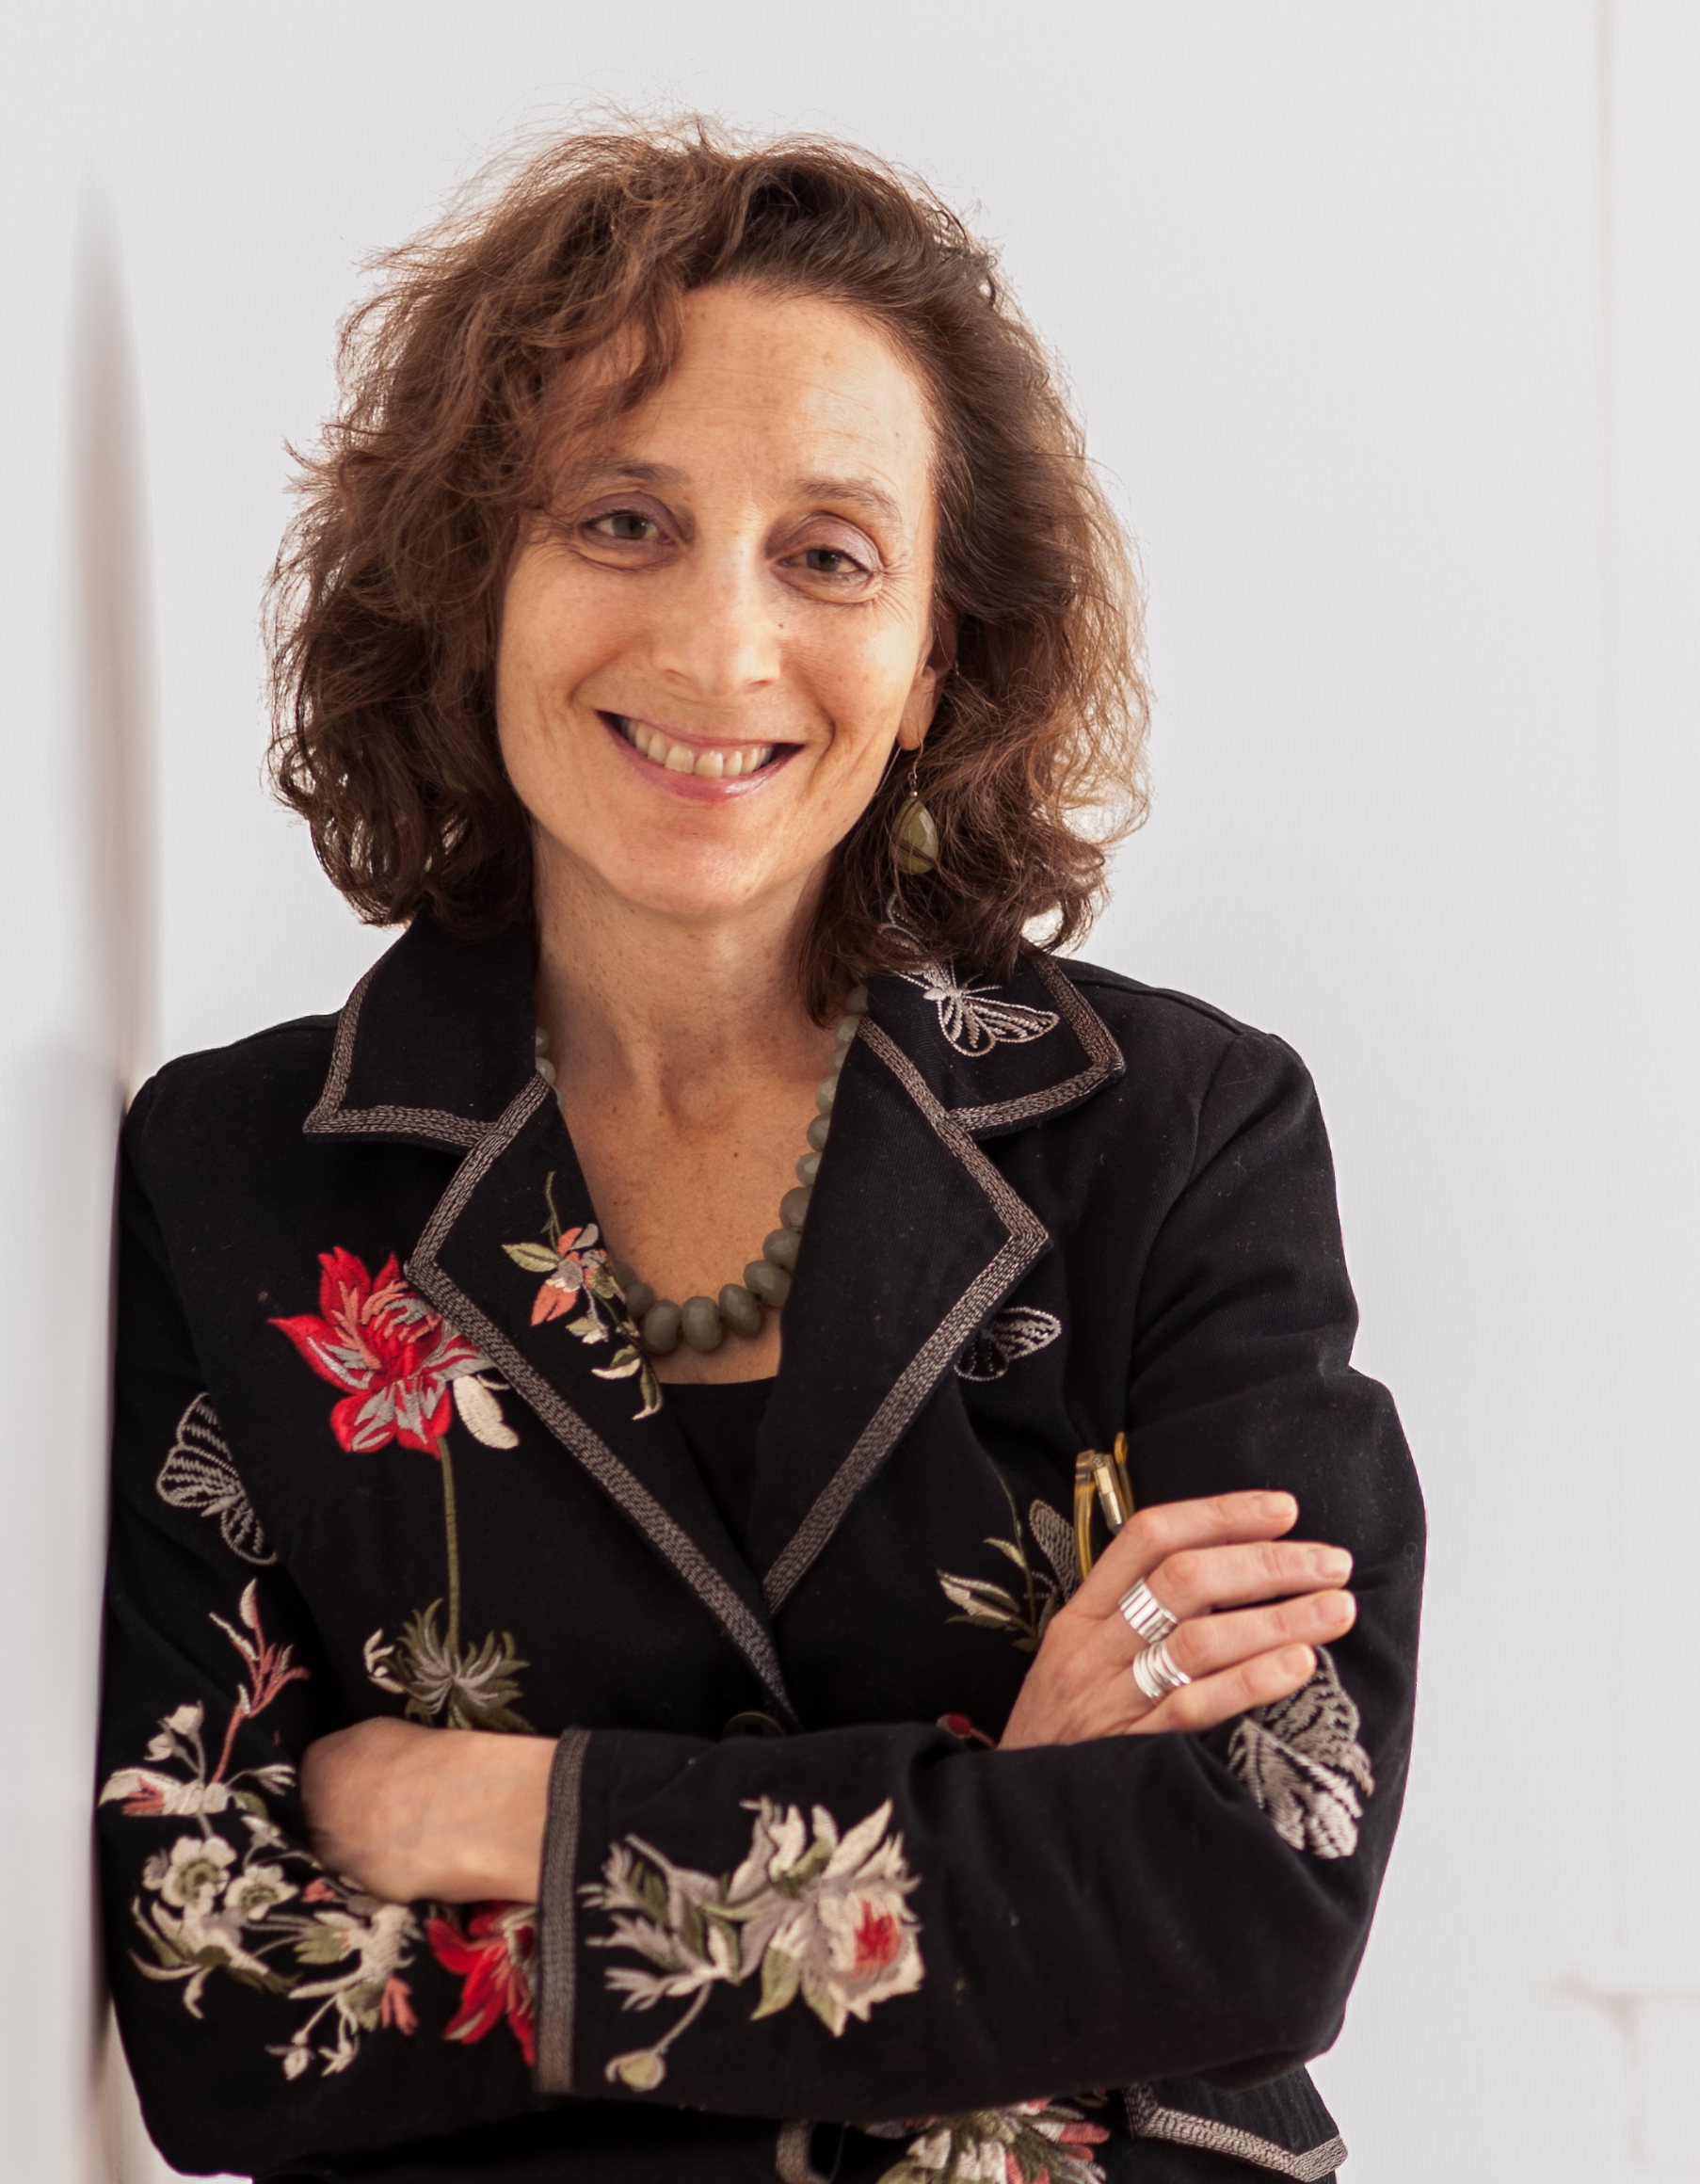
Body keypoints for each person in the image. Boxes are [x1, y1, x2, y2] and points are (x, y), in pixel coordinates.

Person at [97, 125, 1423, 2184]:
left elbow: (1251, 1895)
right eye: (624, 520)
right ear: (473, 585)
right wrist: (994, 1806)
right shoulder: (231, 1175)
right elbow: (226, 1999)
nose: (721, 649)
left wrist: (498, 1813)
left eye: (828, 555)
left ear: (935, 660)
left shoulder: (1178, 1134)